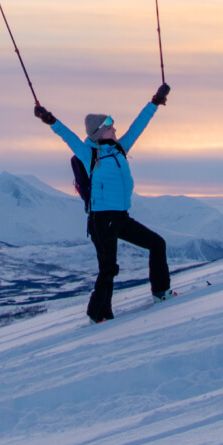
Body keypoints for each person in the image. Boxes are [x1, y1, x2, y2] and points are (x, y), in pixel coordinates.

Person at [33, 82, 171, 323]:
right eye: (110, 126)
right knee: (108, 268)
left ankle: (161, 292)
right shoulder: (89, 154)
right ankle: (98, 315)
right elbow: (67, 135)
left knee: (157, 244)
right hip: (102, 219)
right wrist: (48, 118)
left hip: (121, 217)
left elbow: (139, 125)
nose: (115, 128)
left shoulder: (120, 148)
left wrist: (155, 102)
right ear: (99, 132)